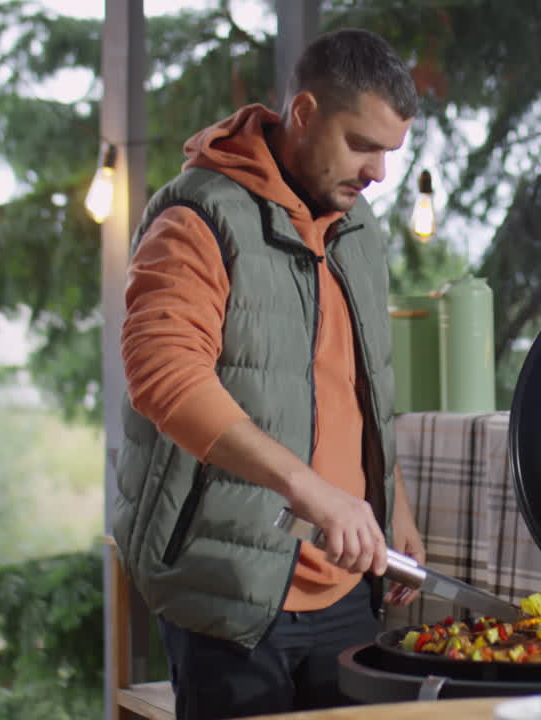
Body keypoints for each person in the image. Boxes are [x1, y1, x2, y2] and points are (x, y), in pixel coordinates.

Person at [111, 28, 425, 719]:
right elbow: (163, 374)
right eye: (362, 144)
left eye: (389, 152)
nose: (378, 172)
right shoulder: (196, 216)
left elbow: (360, 382)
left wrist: (391, 502)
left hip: (348, 595)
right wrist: (308, 490)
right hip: (232, 598)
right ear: (306, 114)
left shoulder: (359, 228)